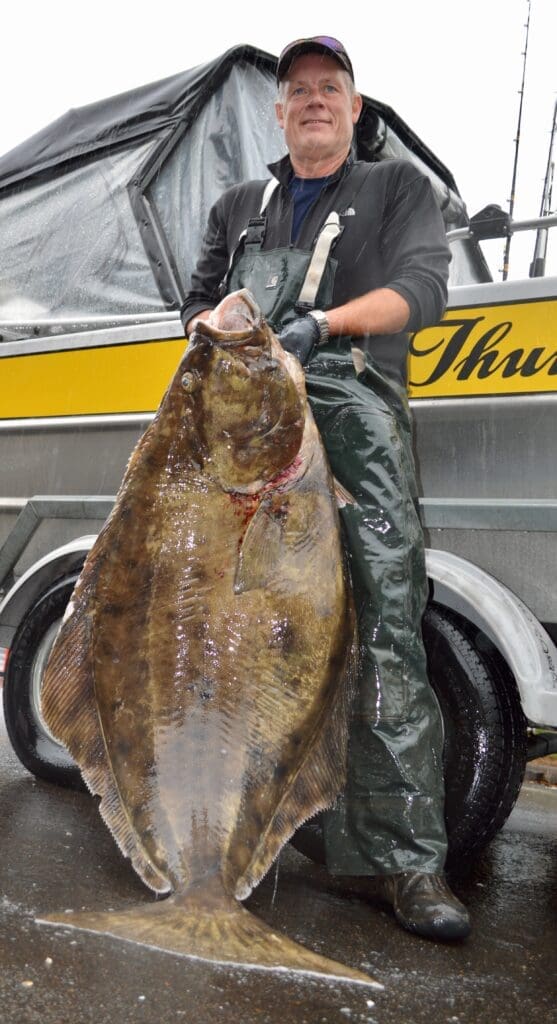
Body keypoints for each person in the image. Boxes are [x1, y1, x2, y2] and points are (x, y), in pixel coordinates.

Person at [180, 36, 470, 942]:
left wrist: (321, 327)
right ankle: (238, 837)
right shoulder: (239, 205)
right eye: (296, 90)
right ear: (278, 113)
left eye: (328, 89)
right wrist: (205, 320)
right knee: (242, 639)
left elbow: (424, 293)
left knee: (383, 630)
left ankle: (407, 864)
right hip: (246, 436)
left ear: (353, 106)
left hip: (354, 422)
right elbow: (190, 304)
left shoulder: (394, 190)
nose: (311, 100)